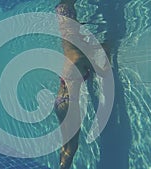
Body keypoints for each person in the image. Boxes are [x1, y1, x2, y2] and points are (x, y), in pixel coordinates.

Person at [54, 0, 93, 168]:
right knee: (72, 147)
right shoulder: (80, 57)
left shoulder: (72, 55)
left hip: (59, 102)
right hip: (69, 103)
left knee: (66, 145)